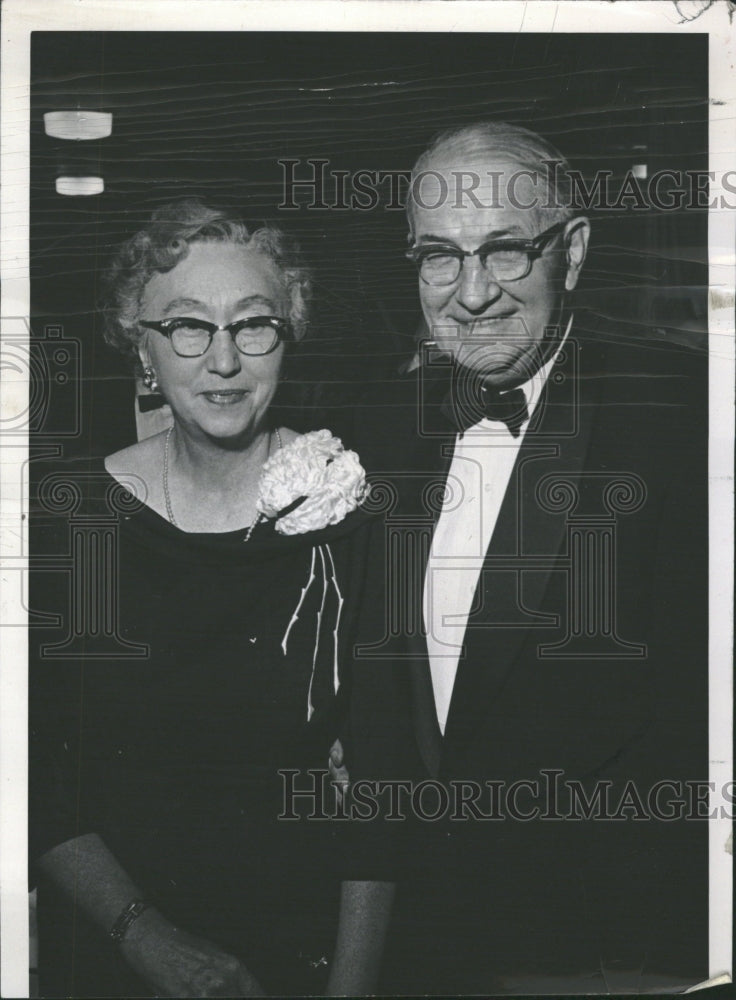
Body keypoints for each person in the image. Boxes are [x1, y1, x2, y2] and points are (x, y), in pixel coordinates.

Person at [339, 121, 709, 994]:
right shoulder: (384, 428)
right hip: (424, 942)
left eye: (505, 251)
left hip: (612, 948)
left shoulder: (681, 418)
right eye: (439, 256)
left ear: (572, 252)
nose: (470, 295)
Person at [29, 199, 394, 998]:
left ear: (287, 337)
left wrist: (354, 987)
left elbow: (382, 782)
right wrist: (145, 938)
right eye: (189, 327)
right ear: (142, 348)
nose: (223, 361)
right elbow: (33, 773)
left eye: (253, 325)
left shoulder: (352, 514)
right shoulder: (71, 517)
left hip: (297, 950)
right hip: (109, 945)